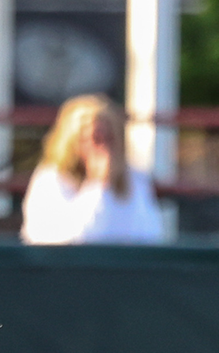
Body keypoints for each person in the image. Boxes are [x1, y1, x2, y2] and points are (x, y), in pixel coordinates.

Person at [21, 93, 166, 245]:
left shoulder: (135, 178)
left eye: (107, 140)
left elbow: (151, 234)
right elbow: (75, 239)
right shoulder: (50, 180)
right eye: (93, 140)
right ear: (71, 142)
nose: (101, 150)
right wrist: (98, 185)